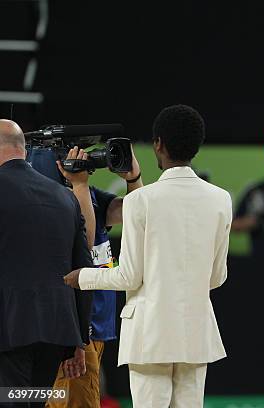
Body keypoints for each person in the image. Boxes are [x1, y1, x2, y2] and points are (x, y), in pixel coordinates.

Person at [64, 105, 231, 407]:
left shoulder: (141, 200)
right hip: (196, 330)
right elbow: (217, 277)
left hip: (150, 332)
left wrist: (82, 277)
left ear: (158, 144)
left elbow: (129, 276)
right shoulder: (221, 199)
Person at [0, 119, 93, 406]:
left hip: (8, 329)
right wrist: (78, 338)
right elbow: (82, 268)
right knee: (32, 401)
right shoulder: (64, 196)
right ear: (23, 150)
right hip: (55, 330)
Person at [46, 145, 143, 408]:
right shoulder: (53, 199)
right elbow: (84, 243)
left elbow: (135, 214)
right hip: (73, 329)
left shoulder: (92, 196)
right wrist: (78, 185)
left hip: (95, 327)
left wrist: (133, 178)